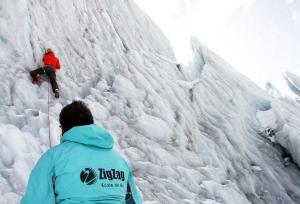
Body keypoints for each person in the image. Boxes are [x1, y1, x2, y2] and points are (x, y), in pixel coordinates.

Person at [21, 101, 142, 204]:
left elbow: (35, 200)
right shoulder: (120, 162)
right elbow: (134, 200)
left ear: (63, 128)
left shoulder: (53, 157)